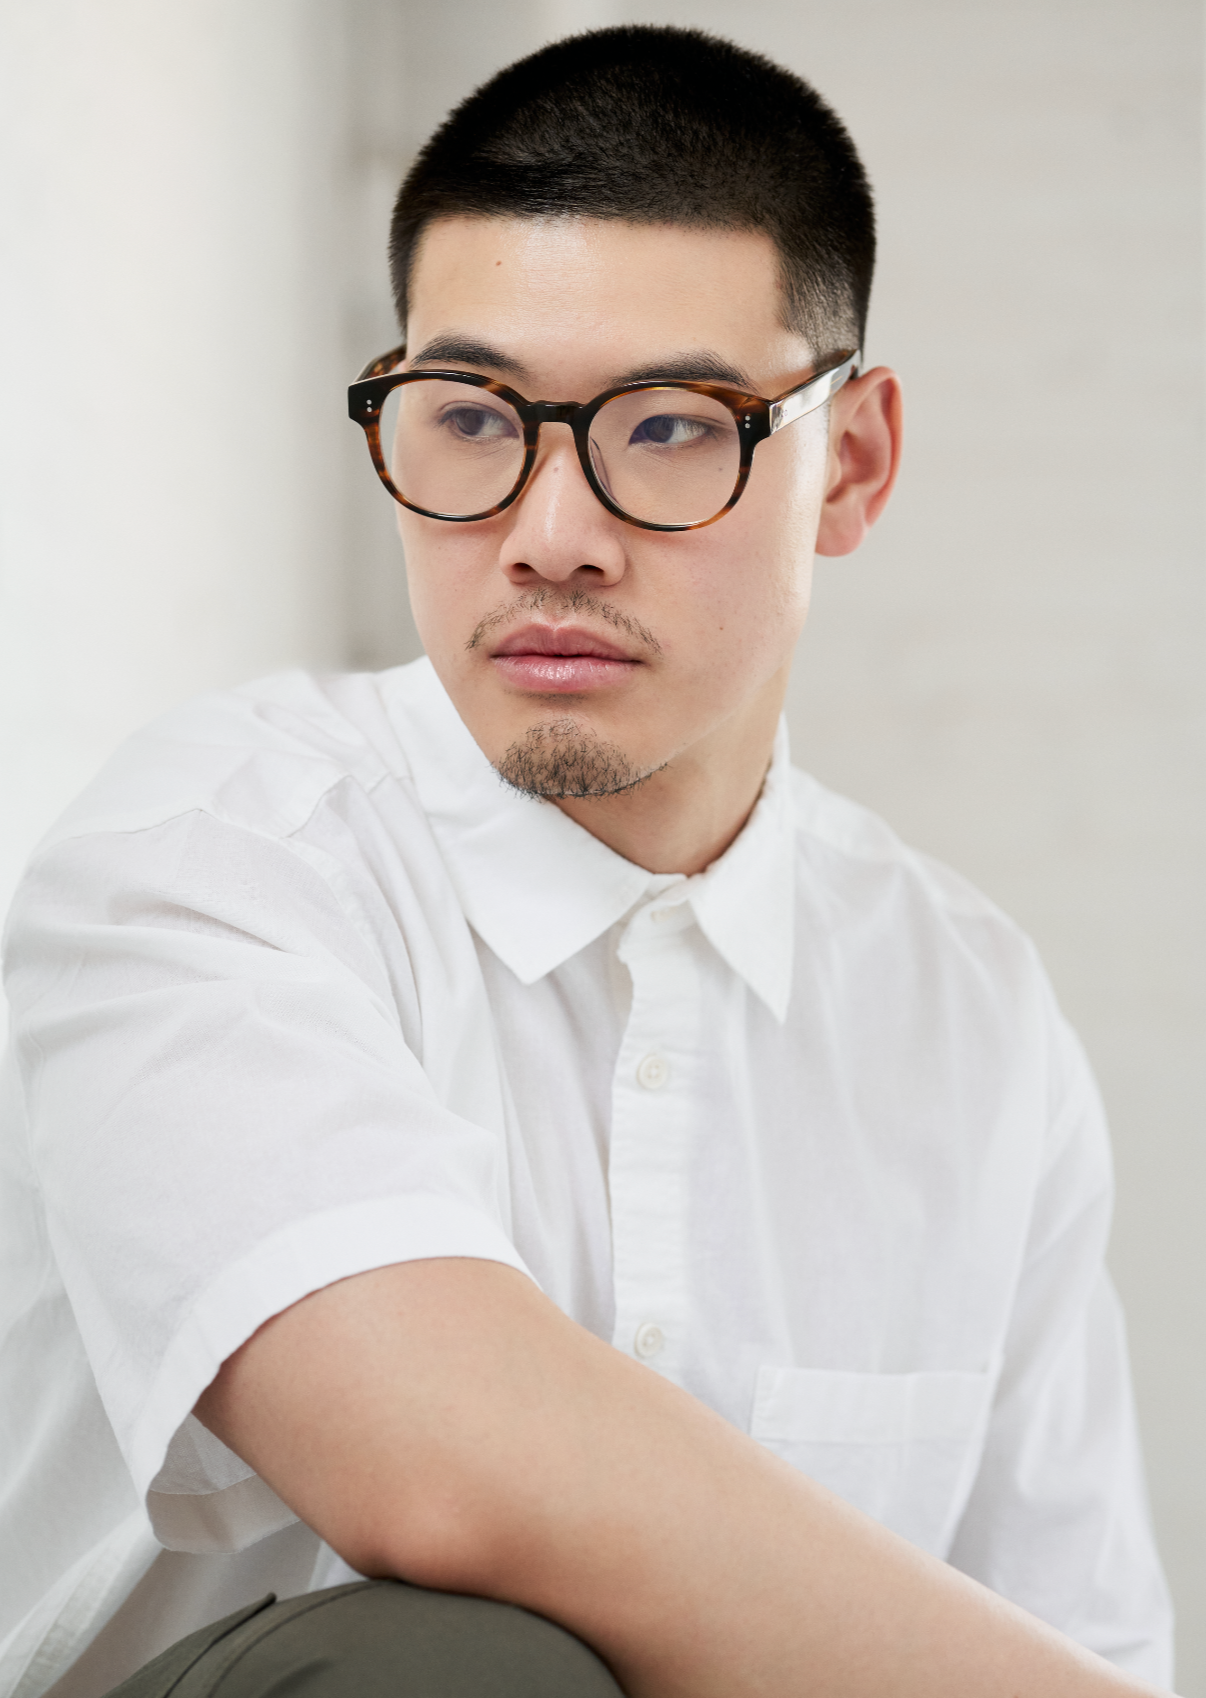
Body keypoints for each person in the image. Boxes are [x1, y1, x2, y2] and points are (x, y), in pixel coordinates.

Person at [0, 24, 1176, 1698]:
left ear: (848, 464)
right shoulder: (208, 861)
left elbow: (1071, 1639)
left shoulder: (965, 1010)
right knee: (444, 1661)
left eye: (671, 427)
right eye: (470, 416)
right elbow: (438, 1466)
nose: (549, 534)